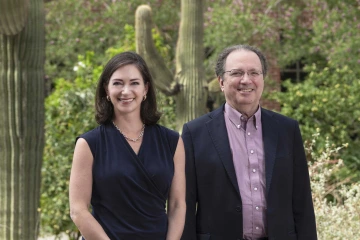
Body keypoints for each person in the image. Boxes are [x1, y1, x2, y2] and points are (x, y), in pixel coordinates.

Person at [181, 45, 317, 240]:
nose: (246, 80)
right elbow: (184, 203)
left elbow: (302, 201)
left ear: (262, 80)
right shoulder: (195, 133)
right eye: (237, 73)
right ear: (221, 81)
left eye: (254, 72)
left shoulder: (287, 130)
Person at [69, 51, 186, 240]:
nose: (126, 91)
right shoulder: (89, 144)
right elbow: (78, 210)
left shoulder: (172, 142)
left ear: (146, 89)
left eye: (134, 83)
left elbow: (177, 205)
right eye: (117, 83)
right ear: (106, 90)